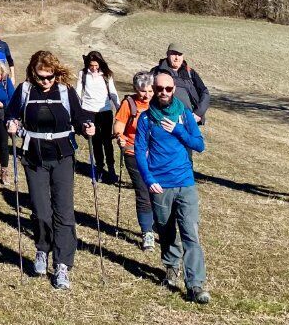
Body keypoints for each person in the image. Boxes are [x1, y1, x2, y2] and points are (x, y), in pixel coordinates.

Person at [5, 51, 95, 290]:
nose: (45, 82)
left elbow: (79, 116)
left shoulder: (65, 91)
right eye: (40, 77)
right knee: (40, 210)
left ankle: (63, 264)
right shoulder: (24, 90)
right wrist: (11, 122)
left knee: (63, 212)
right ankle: (42, 249)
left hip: (62, 157)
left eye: (49, 77)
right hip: (34, 157)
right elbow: (11, 113)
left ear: (56, 73)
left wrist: (87, 125)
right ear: (33, 74)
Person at [134, 69, 210, 304]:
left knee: (190, 234)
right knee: (166, 232)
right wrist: (149, 180)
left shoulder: (184, 115)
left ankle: (195, 284)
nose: (164, 92)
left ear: (174, 89)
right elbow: (139, 150)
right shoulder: (147, 118)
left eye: (168, 89)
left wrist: (177, 130)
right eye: (159, 89)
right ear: (153, 90)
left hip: (185, 182)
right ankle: (171, 266)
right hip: (160, 185)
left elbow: (199, 145)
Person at [114, 71, 156, 250]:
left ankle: (160, 226)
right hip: (133, 153)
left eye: (150, 91)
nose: (146, 95)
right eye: (142, 91)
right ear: (135, 89)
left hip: (157, 154)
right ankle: (147, 232)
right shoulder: (129, 104)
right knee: (144, 192)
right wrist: (119, 136)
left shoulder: (158, 103)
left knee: (159, 192)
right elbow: (119, 125)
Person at [76, 51, 120, 183]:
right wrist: (78, 110)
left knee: (107, 141)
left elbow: (113, 93)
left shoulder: (107, 74)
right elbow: (78, 92)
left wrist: (119, 109)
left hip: (105, 111)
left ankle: (111, 168)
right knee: (95, 141)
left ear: (100, 63)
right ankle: (99, 167)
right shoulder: (83, 74)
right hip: (89, 111)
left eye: (96, 65)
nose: (94, 68)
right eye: (91, 65)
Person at [152, 43, 210, 125]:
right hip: (164, 118)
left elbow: (205, 93)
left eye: (179, 55)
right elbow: (148, 92)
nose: (177, 58)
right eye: (174, 54)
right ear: (167, 54)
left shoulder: (190, 72)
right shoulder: (157, 72)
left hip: (190, 119)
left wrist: (198, 113)